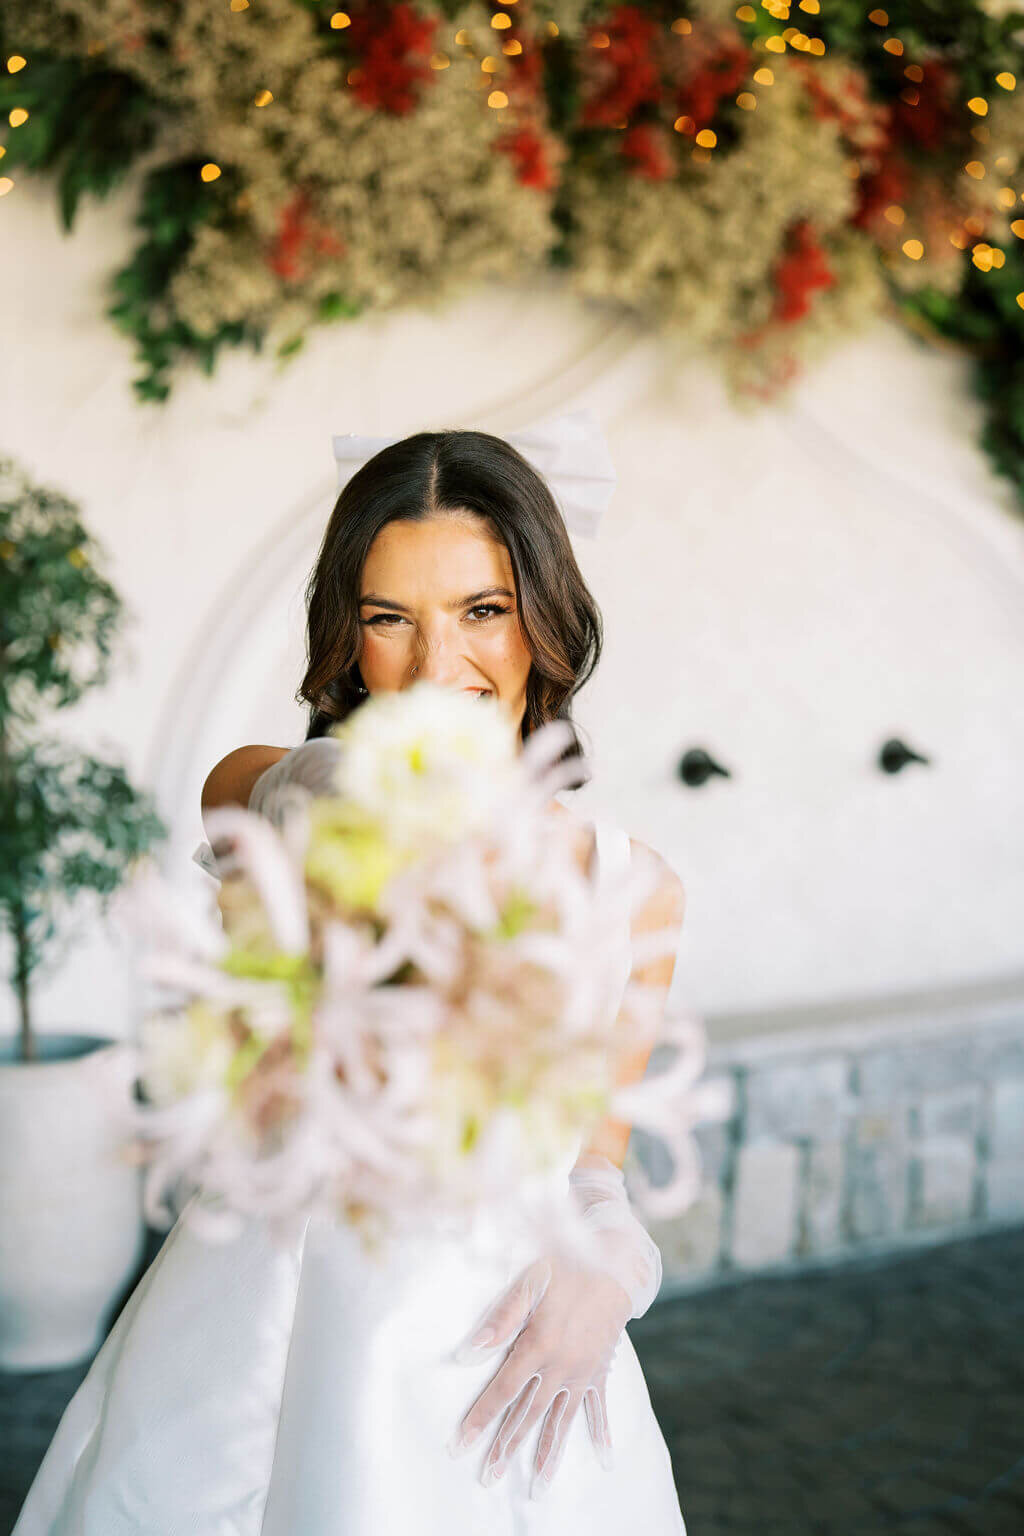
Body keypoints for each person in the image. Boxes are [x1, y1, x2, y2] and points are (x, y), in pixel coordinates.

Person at [13, 425, 688, 1534]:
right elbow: (268, 806)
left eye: (483, 609)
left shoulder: (637, 891)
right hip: (249, 1323)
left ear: (547, 617)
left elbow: (593, 1158)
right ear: (349, 637)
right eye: (389, 620)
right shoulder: (275, 791)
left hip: (490, 1357)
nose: (437, 667)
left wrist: (616, 1269)